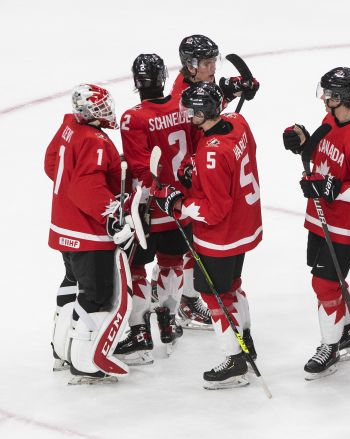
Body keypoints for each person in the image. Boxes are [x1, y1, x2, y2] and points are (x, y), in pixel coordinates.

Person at [151, 81, 263, 389]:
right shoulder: (238, 124)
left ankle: (235, 361)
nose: (187, 115)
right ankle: (245, 342)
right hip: (245, 225)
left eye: (191, 110)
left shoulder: (211, 154)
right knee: (232, 286)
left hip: (221, 236)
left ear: (203, 112)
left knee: (215, 295)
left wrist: (179, 203)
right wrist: (195, 173)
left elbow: (213, 211)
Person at [282, 67, 350, 379]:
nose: (323, 99)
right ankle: (349, 333)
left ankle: (331, 346)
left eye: (328, 94)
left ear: (340, 97)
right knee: (330, 281)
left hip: (344, 224)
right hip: (319, 217)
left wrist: (332, 189)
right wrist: (302, 144)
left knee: (324, 284)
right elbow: (323, 155)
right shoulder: (330, 121)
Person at [46, 84, 137, 384]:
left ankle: (62, 349)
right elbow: (86, 187)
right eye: (99, 109)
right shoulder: (95, 141)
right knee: (96, 294)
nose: (106, 112)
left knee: (73, 283)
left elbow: (52, 165)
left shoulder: (69, 128)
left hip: (64, 225)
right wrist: (111, 217)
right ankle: (85, 363)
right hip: (87, 232)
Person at [168, 34, 260, 331]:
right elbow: (203, 108)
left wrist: (235, 87)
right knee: (192, 243)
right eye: (207, 63)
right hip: (193, 173)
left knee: (198, 242)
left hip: (205, 171)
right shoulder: (182, 97)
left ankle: (187, 295)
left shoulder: (197, 91)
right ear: (191, 66)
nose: (213, 68)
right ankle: (186, 298)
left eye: (213, 61)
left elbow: (210, 99)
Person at [115, 54, 196, 365]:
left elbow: (139, 166)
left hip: (147, 208)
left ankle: (139, 333)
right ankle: (168, 320)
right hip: (179, 205)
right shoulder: (183, 106)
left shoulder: (132, 118)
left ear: (137, 82)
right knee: (172, 262)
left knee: (136, 268)